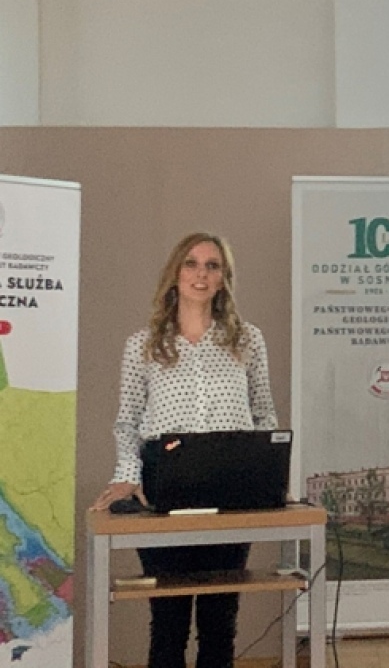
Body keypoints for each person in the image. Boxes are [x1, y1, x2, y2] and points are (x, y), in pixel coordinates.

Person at [91, 232, 277, 668]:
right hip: (167, 494)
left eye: (213, 266)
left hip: (231, 496)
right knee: (169, 620)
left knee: (220, 620)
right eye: (191, 264)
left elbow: (264, 414)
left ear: (224, 278)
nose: (201, 274)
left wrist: (267, 475)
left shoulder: (248, 340)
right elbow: (128, 421)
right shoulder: (143, 345)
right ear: (175, 273)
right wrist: (126, 476)